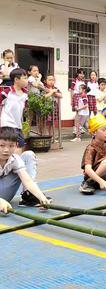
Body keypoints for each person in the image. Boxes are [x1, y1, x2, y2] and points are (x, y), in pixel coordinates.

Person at [0, 68, 45, 206]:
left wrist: (42, 197)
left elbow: (25, 111)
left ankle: (29, 194)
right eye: (24, 77)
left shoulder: (25, 94)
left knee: (22, 158)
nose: (26, 80)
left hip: (18, 127)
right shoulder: (5, 92)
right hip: (6, 125)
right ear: (16, 79)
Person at [0, 127, 50, 210]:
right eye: (1, 145)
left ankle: (28, 195)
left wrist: (42, 198)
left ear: (16, 145)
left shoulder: (14, 159)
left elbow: (28, 181)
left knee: (28, 156)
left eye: (11, 146)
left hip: (4, 197)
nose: (6, 150)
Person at [43, 74, 62, 139]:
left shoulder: (55, 88)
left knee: (52, 123)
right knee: (46, 122)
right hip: (46, 106)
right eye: (50, 80)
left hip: (54, 106)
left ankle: (52, 136)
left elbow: (61, 95)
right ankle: (47, 136)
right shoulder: (43, 88)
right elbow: (44, 97)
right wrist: (51, 92)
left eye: (53, 80)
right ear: (45, 81)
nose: (51, 81)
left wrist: (54, 92)